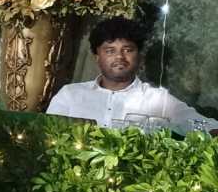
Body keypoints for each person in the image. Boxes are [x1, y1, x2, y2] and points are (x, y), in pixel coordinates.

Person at [47, 16, 218, 134]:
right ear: (97, 57)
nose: (119, 57)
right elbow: (46, 136)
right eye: (110, 51)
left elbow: (205, 126)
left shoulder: (158, 100)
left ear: (139, 56)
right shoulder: (70, 95)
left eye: (127, 50)